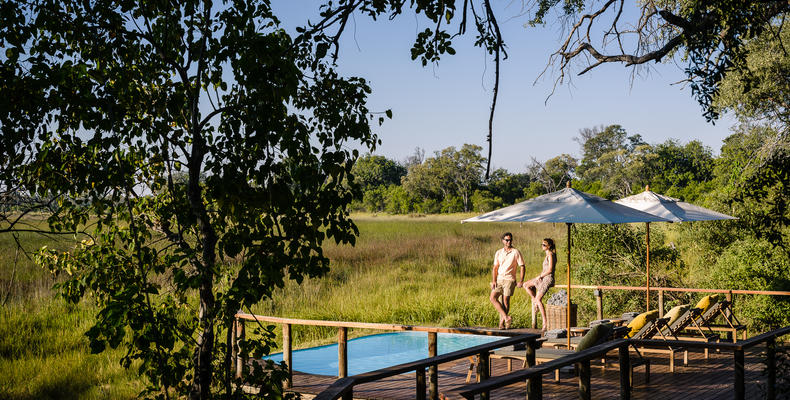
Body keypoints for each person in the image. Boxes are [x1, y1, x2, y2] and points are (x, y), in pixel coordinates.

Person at [490, 232, 525, 329]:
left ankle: (502, 323)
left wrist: (521, 281)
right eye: (507, 240)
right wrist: (494, 280)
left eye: (510, 240)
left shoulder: (515, 252)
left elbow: (522, 266)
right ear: (503, 241)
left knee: (506, 300)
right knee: (492, 298)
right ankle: (506, 317)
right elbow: (495, 267)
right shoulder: (498, 252)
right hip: (499, 279)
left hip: (510, 279)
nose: (508, 242)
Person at [524, 238, 556, 332]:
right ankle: (535, 301)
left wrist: (540, 276)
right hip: (542, 278)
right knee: (526, 285)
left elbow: (550, 269)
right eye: (542, 244)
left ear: (549, 246)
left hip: (547, 278)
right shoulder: (547, 254)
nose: (542, 246)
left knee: (539, 299)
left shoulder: (550, 255)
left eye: (544, 245)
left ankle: (545, 323)